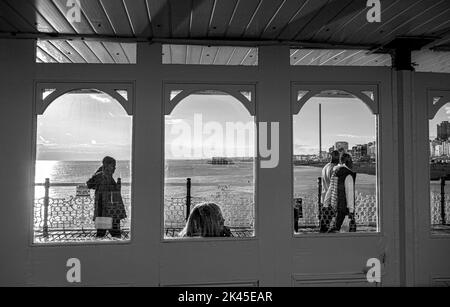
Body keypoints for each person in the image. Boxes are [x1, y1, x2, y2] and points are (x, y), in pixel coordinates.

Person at [86, 156, 127, 238]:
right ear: (106, 166)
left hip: (108, 211)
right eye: (113, 166)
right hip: (107, 212)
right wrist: (99, 172)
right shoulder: (101, 176)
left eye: (115, 166)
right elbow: (89, 184)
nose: (115, 168)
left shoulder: (105, 175)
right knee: (113, 235)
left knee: (104, 235)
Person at [327, 153, 357, 232]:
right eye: (351, 160)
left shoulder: (335, 172)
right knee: (344, 232)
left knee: (336, 228)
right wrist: (351, 210)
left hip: (335, 206)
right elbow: (349, 194)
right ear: (348, 161)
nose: (352, 163)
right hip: (344, 209)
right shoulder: (348, 174)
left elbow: (331, 188)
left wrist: (326, 203)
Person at [319, 150, 340, 232]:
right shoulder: (334, 168)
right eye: (338, 157)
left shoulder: (325, 167)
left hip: (323, 198)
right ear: (337, 157)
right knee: (328, 226)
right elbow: (335, 185)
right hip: (331, 200)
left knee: (324, 224)